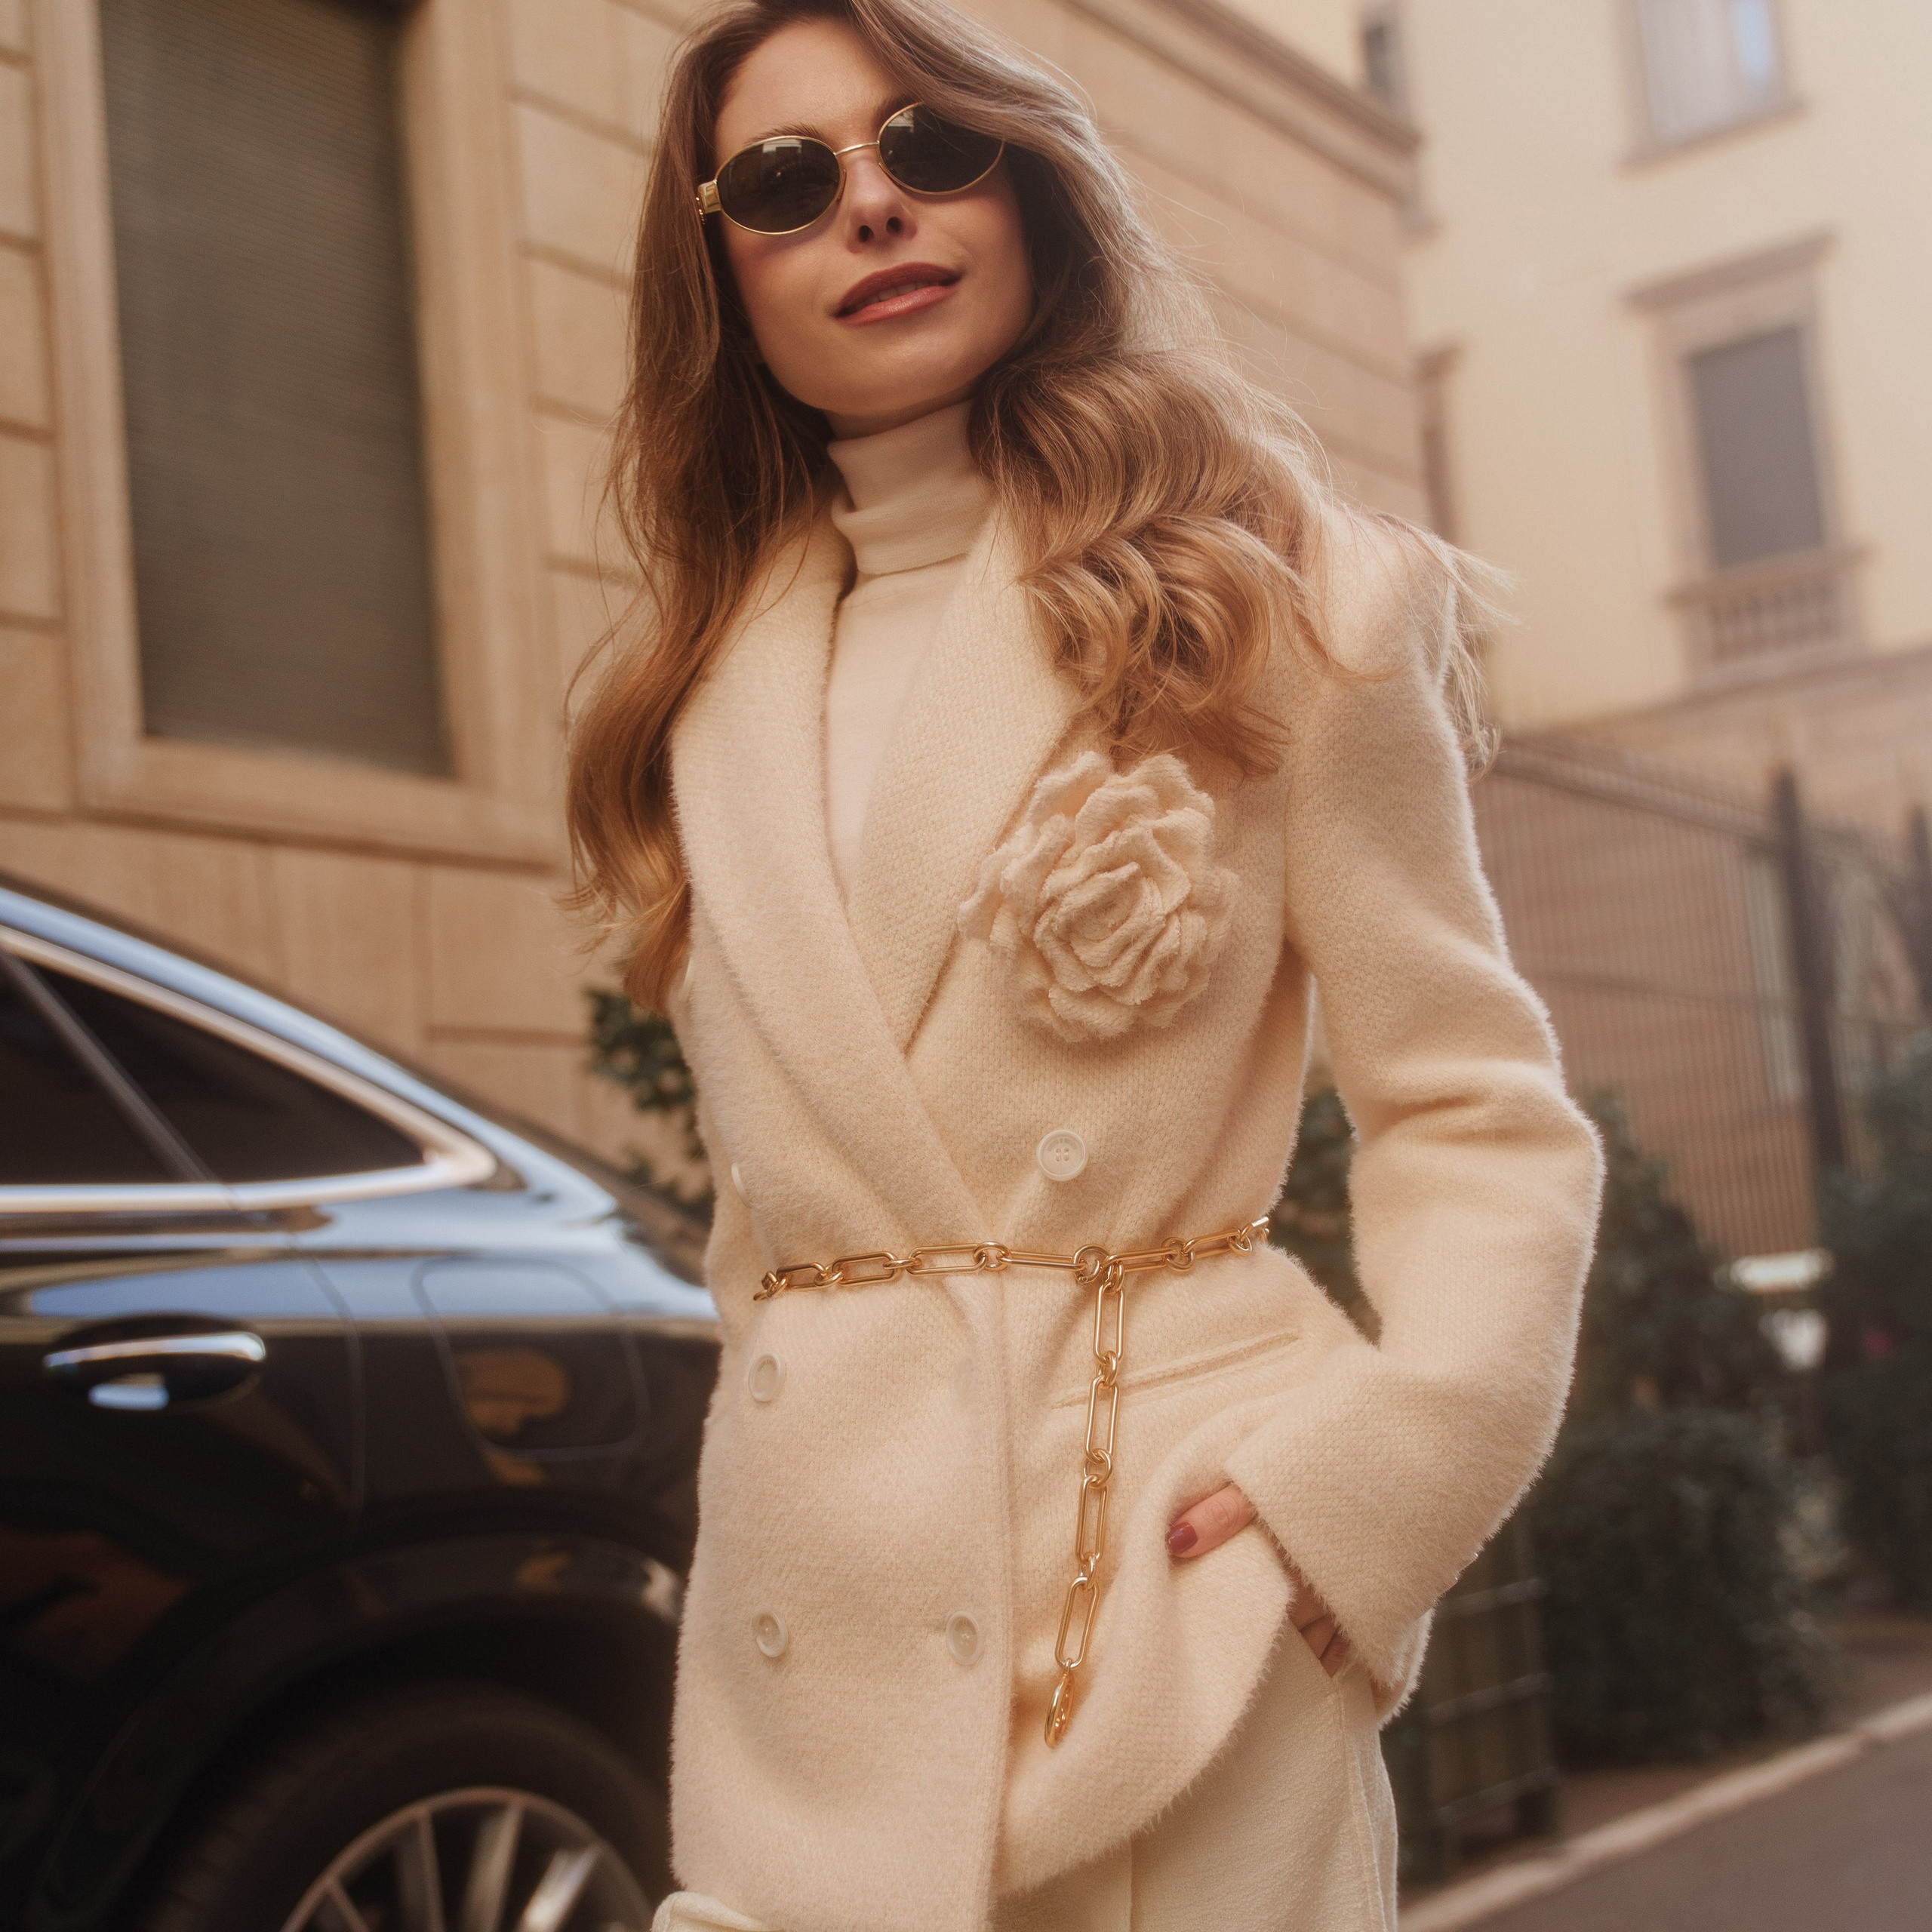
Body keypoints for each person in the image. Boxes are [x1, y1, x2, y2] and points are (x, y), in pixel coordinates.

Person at [566, 0, 1602, 1925]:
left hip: (1171, 1612)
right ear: (719, 273)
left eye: (927, 144)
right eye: (784, 182)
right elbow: (766, 1229)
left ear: (1022, 185)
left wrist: (1366, 1489)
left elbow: (1471, 1107)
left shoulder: (1274, 594)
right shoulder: (694, 695)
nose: (871, 205)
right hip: (815, 1661)